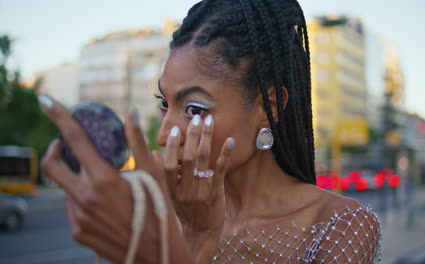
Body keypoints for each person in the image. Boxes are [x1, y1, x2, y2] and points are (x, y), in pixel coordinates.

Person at [39, 0, 382, 263]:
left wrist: (173, 250)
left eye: (194, 110)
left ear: (269, 107)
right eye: (164, 103)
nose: (163, 137)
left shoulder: (339, 226)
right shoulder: (159, 215)